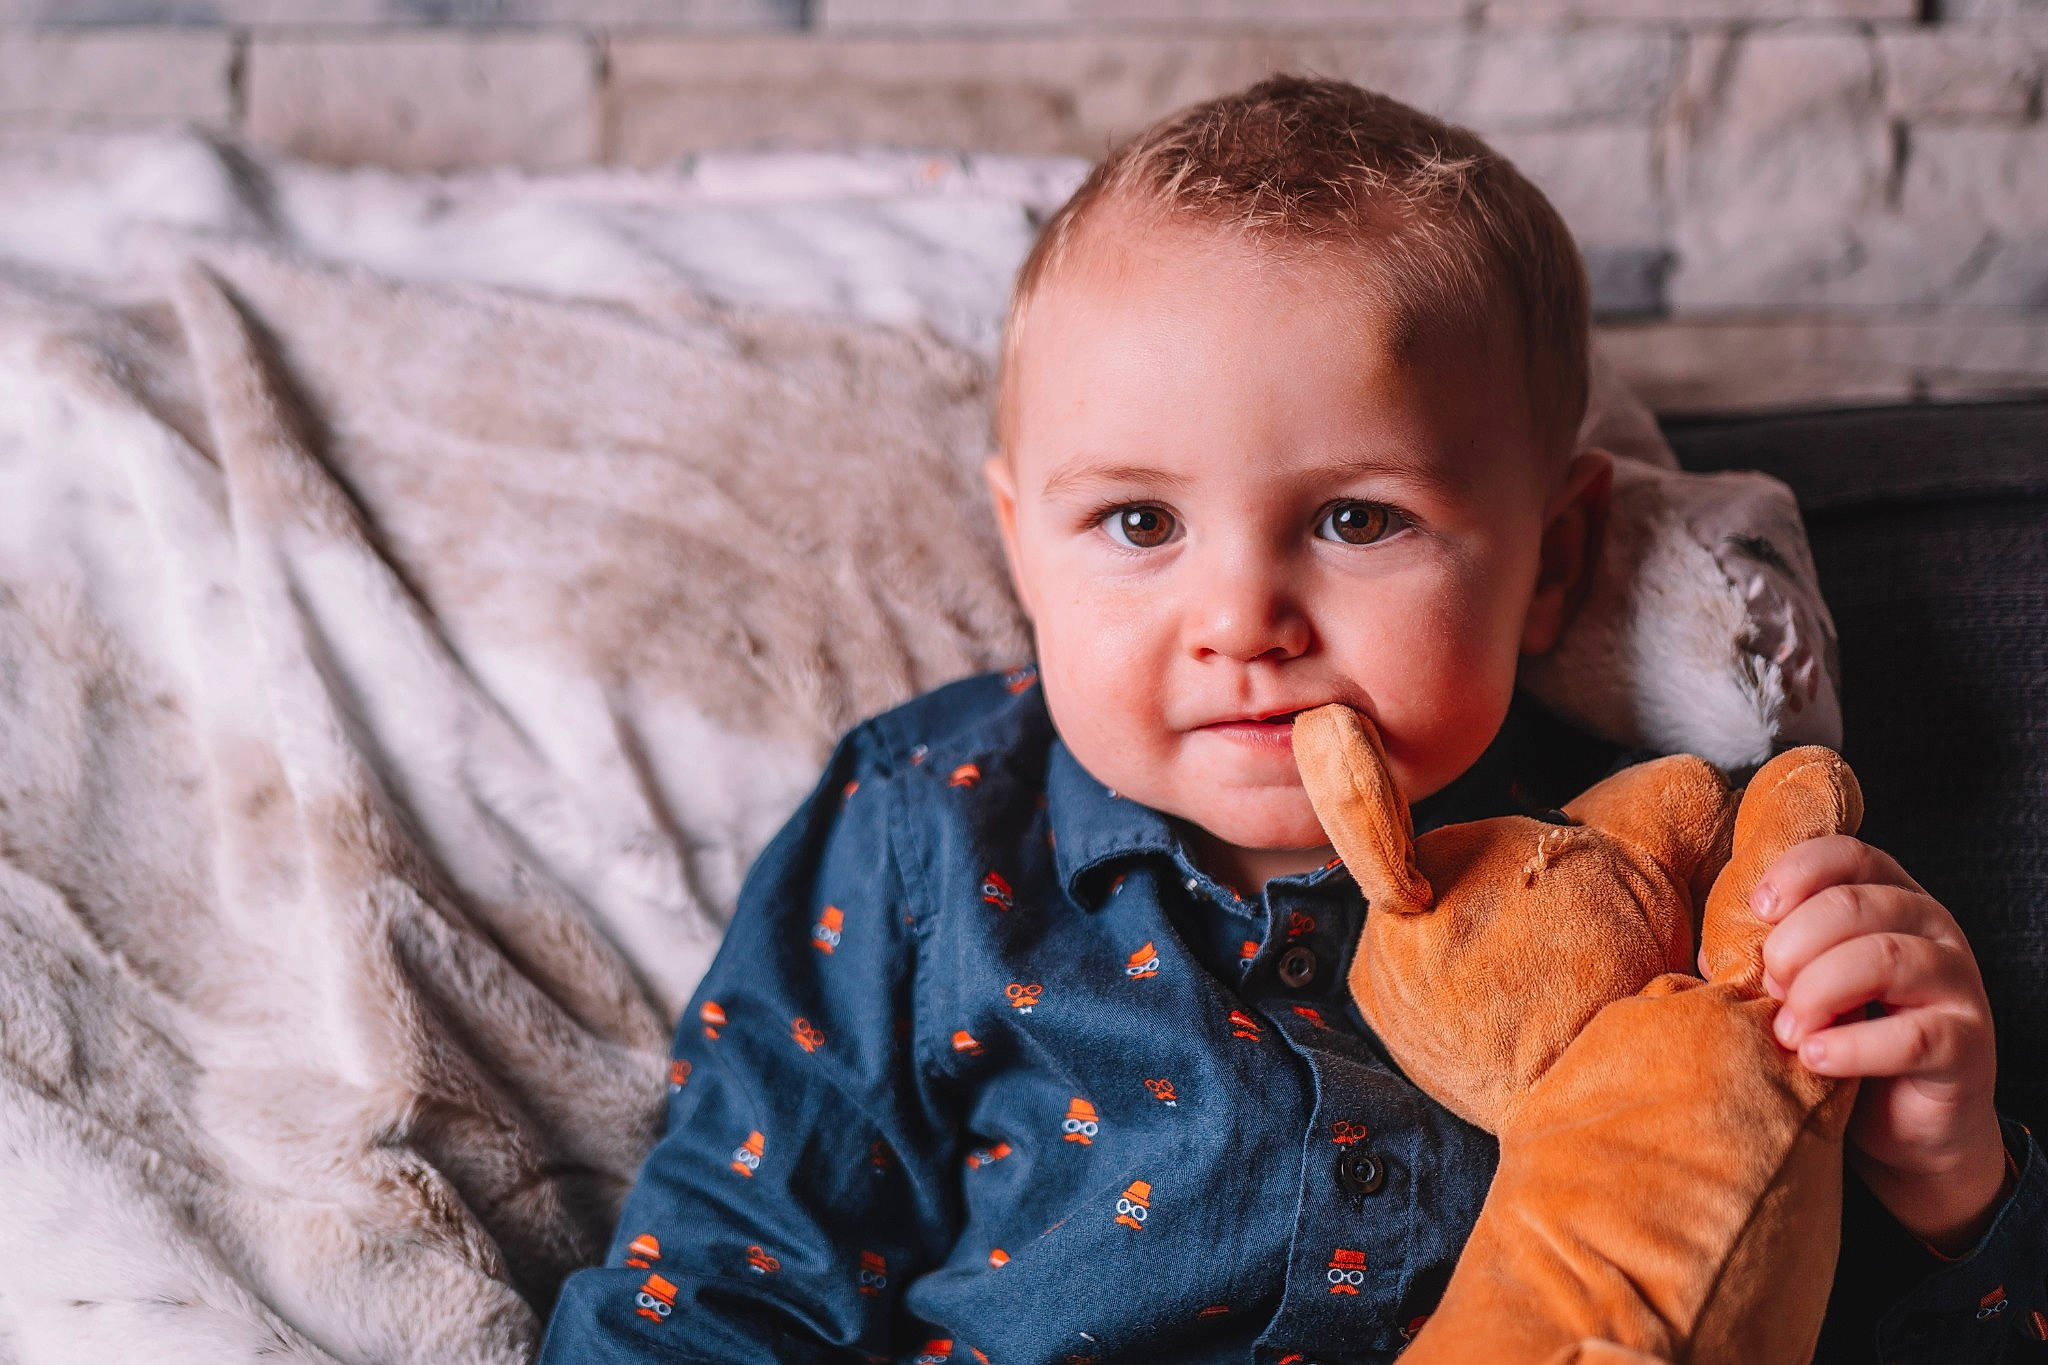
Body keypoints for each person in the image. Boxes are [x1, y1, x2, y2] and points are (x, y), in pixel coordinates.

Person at [538, 76, 2043, 1364]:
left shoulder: (1666, 874)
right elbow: (728, 1267)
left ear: (1555, 560)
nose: (1243, 616)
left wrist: (1950, 1181)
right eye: (1137, 519)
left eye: (1354, 516)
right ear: (1021, 548)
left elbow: (1751, 1289)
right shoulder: (928, 818)